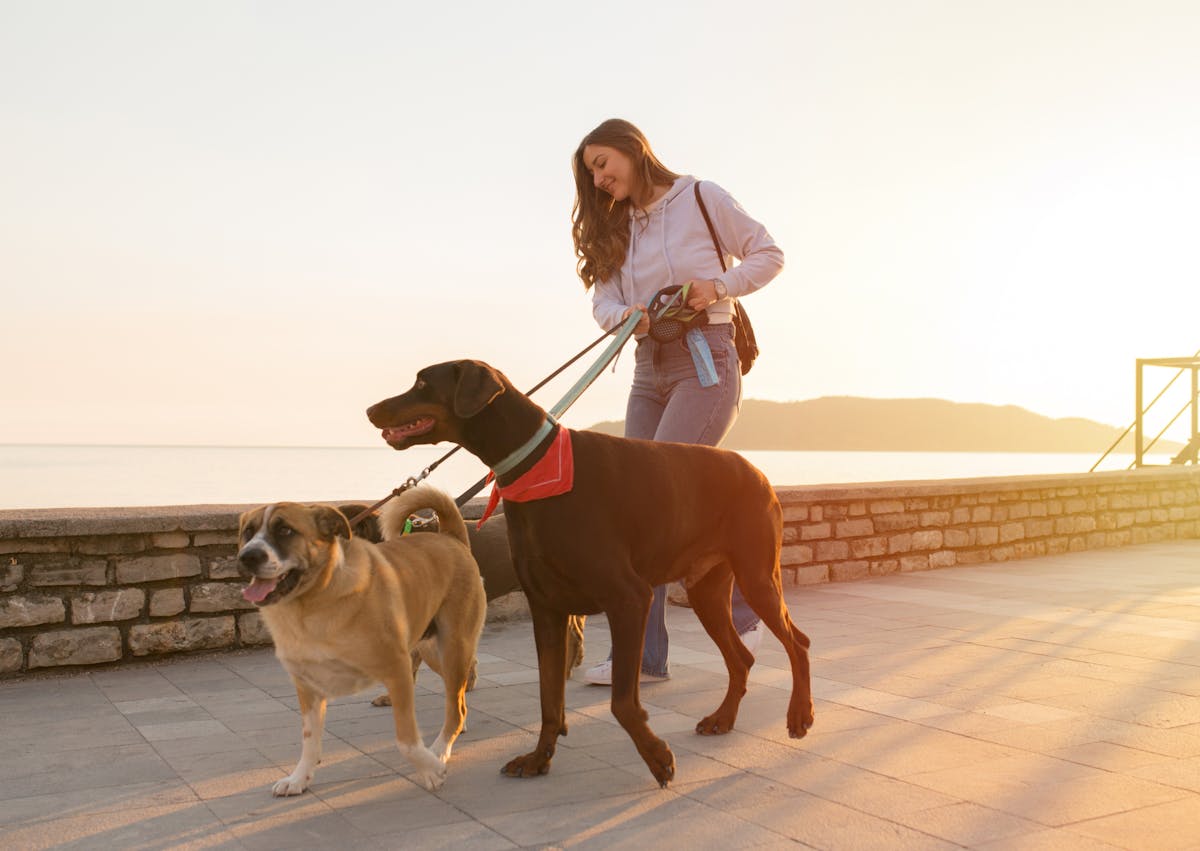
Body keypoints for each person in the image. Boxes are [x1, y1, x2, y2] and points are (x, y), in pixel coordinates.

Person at [570, 118, 785, 685]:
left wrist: (719, 287)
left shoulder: (701, 198)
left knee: (657, 502)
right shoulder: (619, 229)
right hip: (648, 368)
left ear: (632, 150)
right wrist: (626, 317)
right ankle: (644, 658)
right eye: (590, 173)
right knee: (632, 509)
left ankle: (740, 613)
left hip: (706, 362)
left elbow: (768, 253)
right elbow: (604, 301)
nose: (597, 180)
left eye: (601, 164)